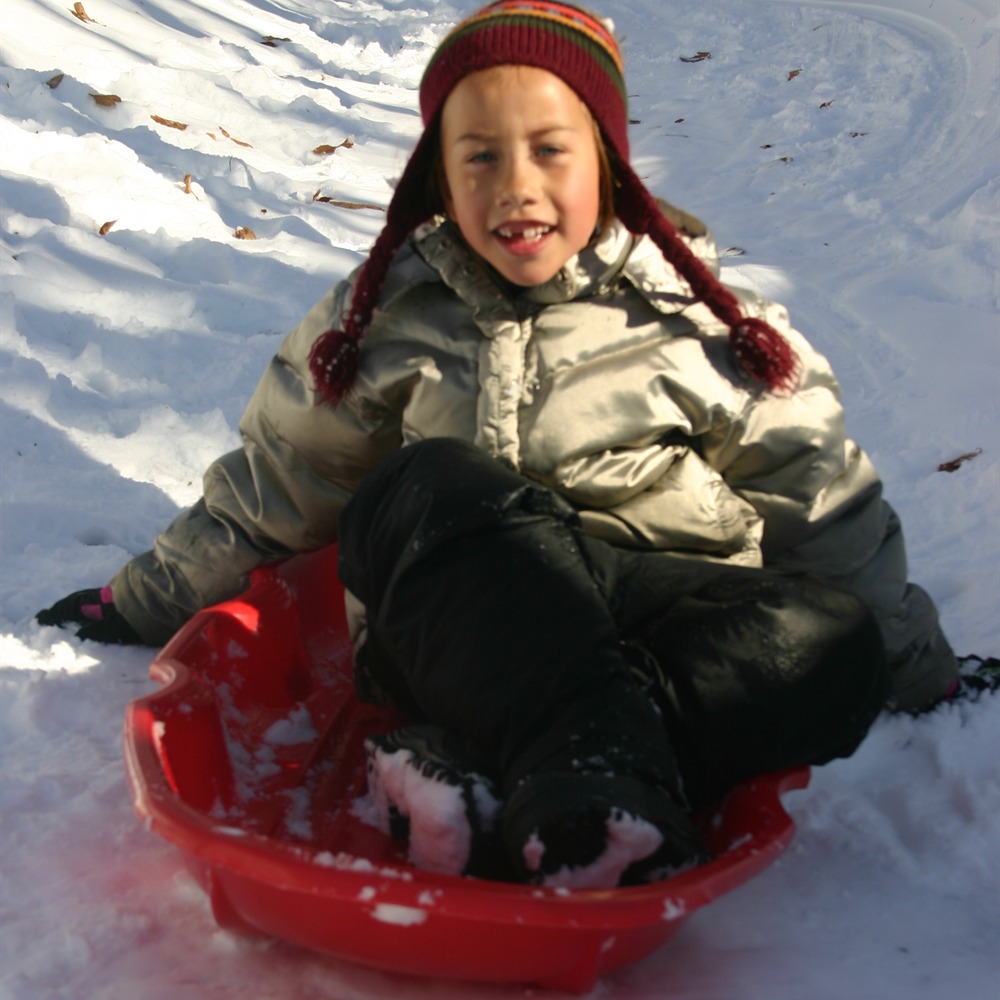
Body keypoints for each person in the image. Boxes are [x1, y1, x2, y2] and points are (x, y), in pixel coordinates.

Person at [37, 0, 959, 888]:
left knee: (835, 641)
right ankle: (598, 781)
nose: (515, 186)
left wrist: (920, 669)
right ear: (439, 177)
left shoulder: (697, 323)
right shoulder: (390, 314)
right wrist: (146, 600)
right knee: (428, 482)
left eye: (551, 152)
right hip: (456, 628)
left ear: (610, 164)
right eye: (478, 157)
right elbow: (284, 478)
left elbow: (822, 501)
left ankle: (507, 771)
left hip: (648, 610)